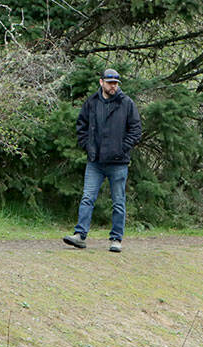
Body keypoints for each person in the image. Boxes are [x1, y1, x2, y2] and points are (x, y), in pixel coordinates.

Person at [62, 69, 142, 253]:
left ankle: (116, 239)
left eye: (116, 83)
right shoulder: (91, 102)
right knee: (87, 198)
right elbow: (81, 126)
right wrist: (88, 146)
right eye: (110, 82)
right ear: (101, 82)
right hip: (95, 162)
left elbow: (136, 130)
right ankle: (80, 236)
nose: (113, 86)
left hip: (118, 163)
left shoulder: (127, 104)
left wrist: (122, 148)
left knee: (118, 201)